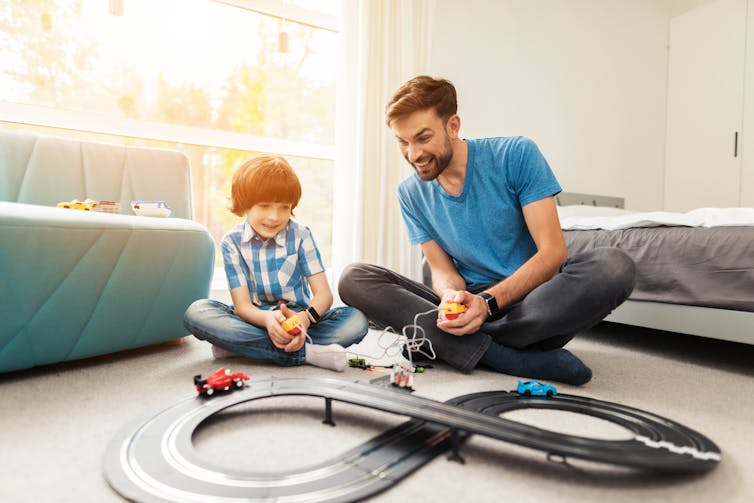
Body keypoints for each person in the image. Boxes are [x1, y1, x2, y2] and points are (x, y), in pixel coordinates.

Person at [338, 75, 636, 385]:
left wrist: (487, 304)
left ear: (453, 126)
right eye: (403, 142)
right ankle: (505, 357)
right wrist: (451, 295)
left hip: (530, 303)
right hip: (469, 302)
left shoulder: (515, 155)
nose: (413, 155)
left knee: (614, 267)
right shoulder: (410, 193)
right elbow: (441, 270)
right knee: (354, 278)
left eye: (423, 138)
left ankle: (445, 345)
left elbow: (552, 253)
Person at [184, 154, 368, 372]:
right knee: (197, 312)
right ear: (245, 204)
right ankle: (307, 353)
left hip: (300, 318)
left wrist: (305, 319)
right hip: (255, 319)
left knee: (356, 320)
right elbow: (243, 306)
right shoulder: (232, 242)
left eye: (284, 207)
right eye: (264, 205)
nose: (274, 216)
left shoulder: (301, 235)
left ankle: (244, 347)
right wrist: (268, 320)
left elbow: (324, 296)